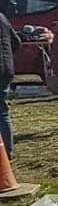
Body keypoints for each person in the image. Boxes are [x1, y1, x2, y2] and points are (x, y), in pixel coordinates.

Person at [0, 12, 17, 155]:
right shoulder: (2, 17)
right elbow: (16, 41)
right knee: (2, 112)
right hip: (7, 69)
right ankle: (8, 149)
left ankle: (6, 151)